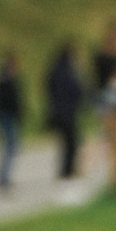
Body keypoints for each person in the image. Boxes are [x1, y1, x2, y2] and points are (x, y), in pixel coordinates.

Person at [45, 40, 88, 178]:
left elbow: (48, 88)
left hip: (57, 111)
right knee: (71, 142)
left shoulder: (54, 70)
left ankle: (65, 169)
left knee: (65, 142)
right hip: (68, 112)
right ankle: (68, 169)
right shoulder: (69, 71)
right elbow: (77, 89)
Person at [0, 49, 25, 194]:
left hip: (8, 117)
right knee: (10, 147)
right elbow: (8, 102)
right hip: (7, 117)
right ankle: (4, 177)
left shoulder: (4, 80)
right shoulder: (5, 81)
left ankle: (3, 175)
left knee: (9, 147)